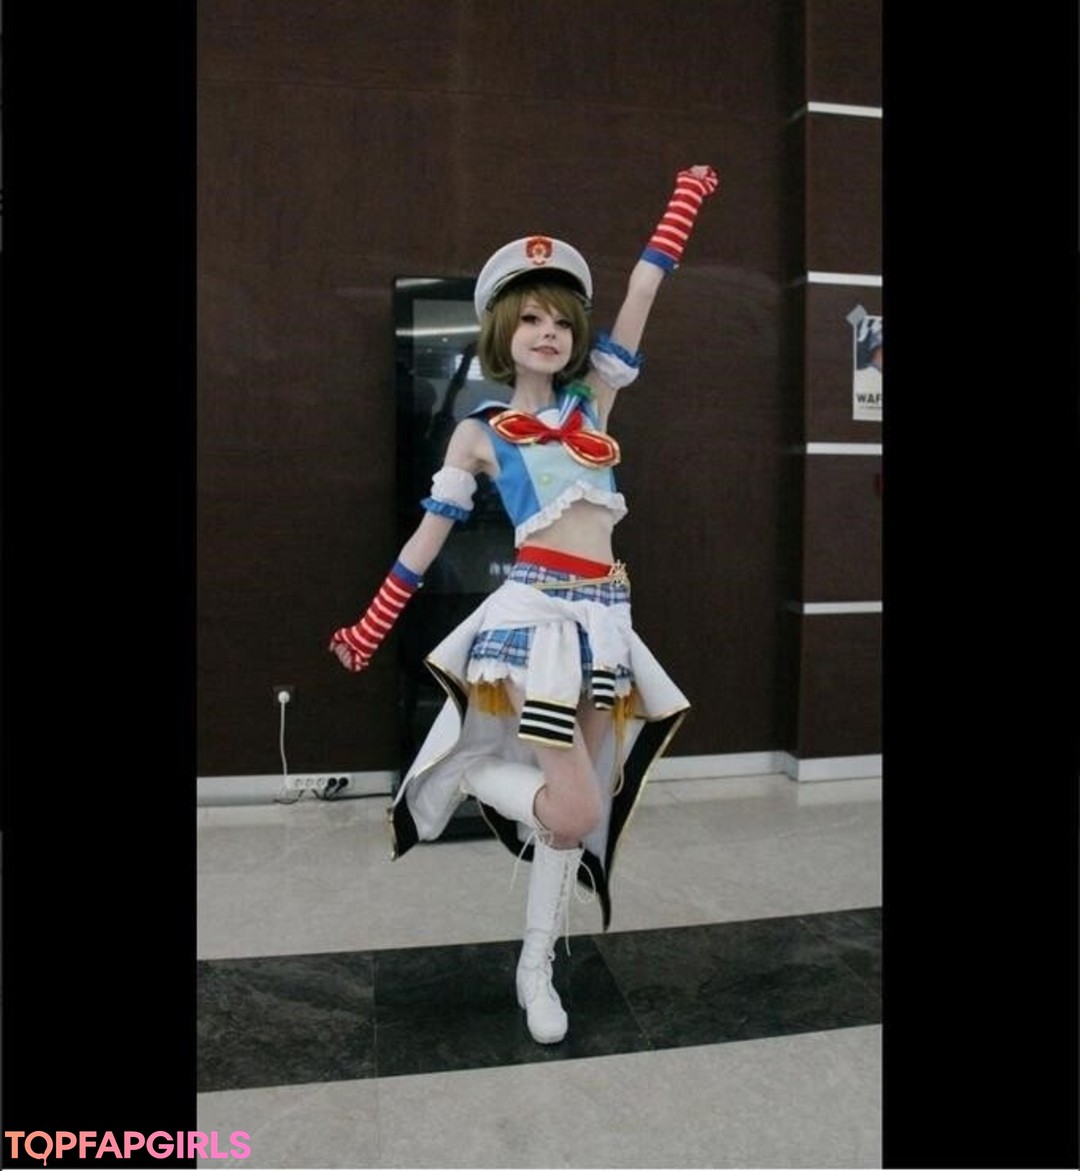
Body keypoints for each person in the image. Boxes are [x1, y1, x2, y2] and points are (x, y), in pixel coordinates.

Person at [330, 165, 720, 1044]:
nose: (548, 333)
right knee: (574, 809)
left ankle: (535, 964)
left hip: (605, 625)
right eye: (531, 318)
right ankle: (464, 767)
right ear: (503, 331)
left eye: (561, 321)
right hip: (535, 626)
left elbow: (643, 292)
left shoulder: (594, 403)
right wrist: (370, 626)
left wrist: (681, 205)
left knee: (583, 807)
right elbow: (425, 540)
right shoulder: (480, 431)